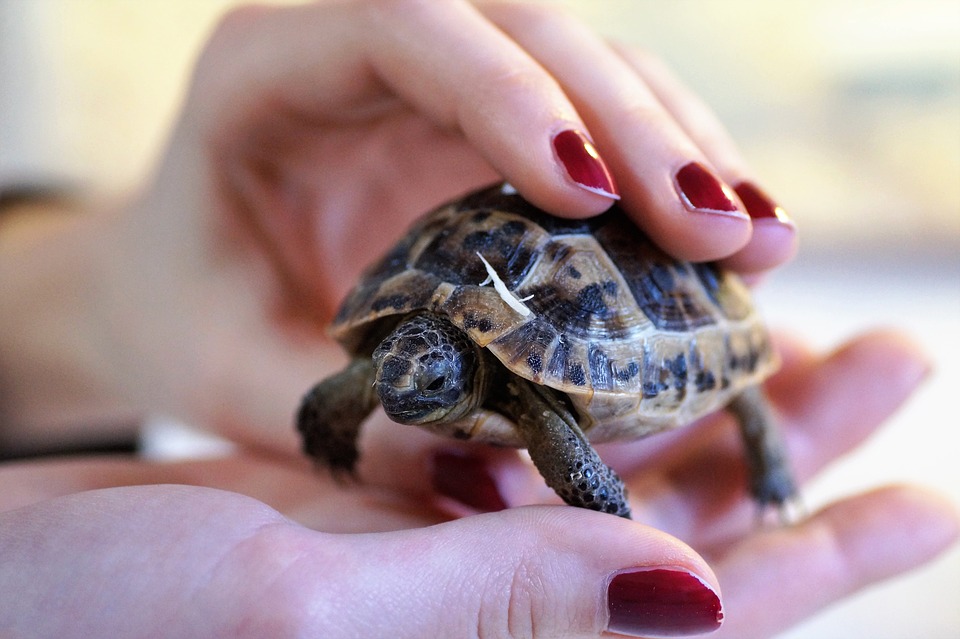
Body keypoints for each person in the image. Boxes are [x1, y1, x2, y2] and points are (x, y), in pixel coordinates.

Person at [0, 2, 956, 637]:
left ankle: (763, 443)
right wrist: (331, 415)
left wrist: (602, 518)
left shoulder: (525, 390)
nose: (399, 387)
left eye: (417, 374)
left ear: (461, 368)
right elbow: (359, 382)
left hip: (629, 326)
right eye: (398, 371)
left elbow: (541, 416)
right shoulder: (406, 364)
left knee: (747, 393)